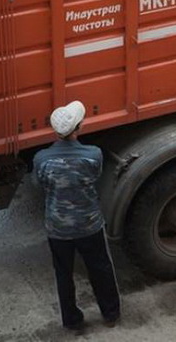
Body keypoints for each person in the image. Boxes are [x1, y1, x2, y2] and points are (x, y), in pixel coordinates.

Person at [34, 100, 121, 331]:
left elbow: (40, 183)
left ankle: (72, 320)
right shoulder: (93, 155)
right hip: (89, 224)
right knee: (100, 268)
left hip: (57, 227)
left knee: (63, 274)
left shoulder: (41, 159)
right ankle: (110, 314)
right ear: (79, 128)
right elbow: (96, 177)